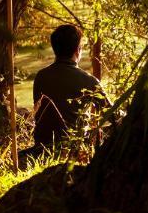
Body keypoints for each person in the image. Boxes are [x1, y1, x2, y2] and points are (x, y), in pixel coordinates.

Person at [32, 24, 109, 152]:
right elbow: (112, 113)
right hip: (74, 148)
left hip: (43, 147)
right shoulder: (89, 81)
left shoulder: (41, 76)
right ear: (78, 50)